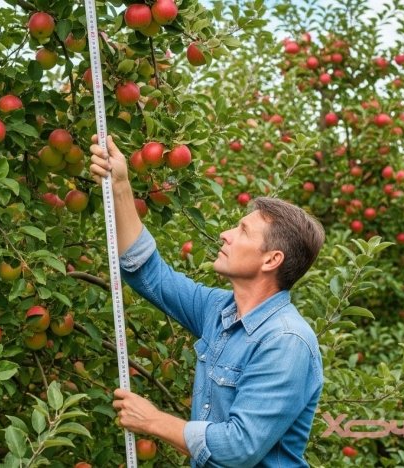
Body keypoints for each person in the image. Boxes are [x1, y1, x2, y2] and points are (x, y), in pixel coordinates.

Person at [89, 135, 325, 467]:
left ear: (271, 260)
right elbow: (146, 272)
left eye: (242, 231)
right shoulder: (219, 310)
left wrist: (153, 420)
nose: (226, 234)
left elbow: (238, 448)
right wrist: (121, 186)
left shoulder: (285, 342)